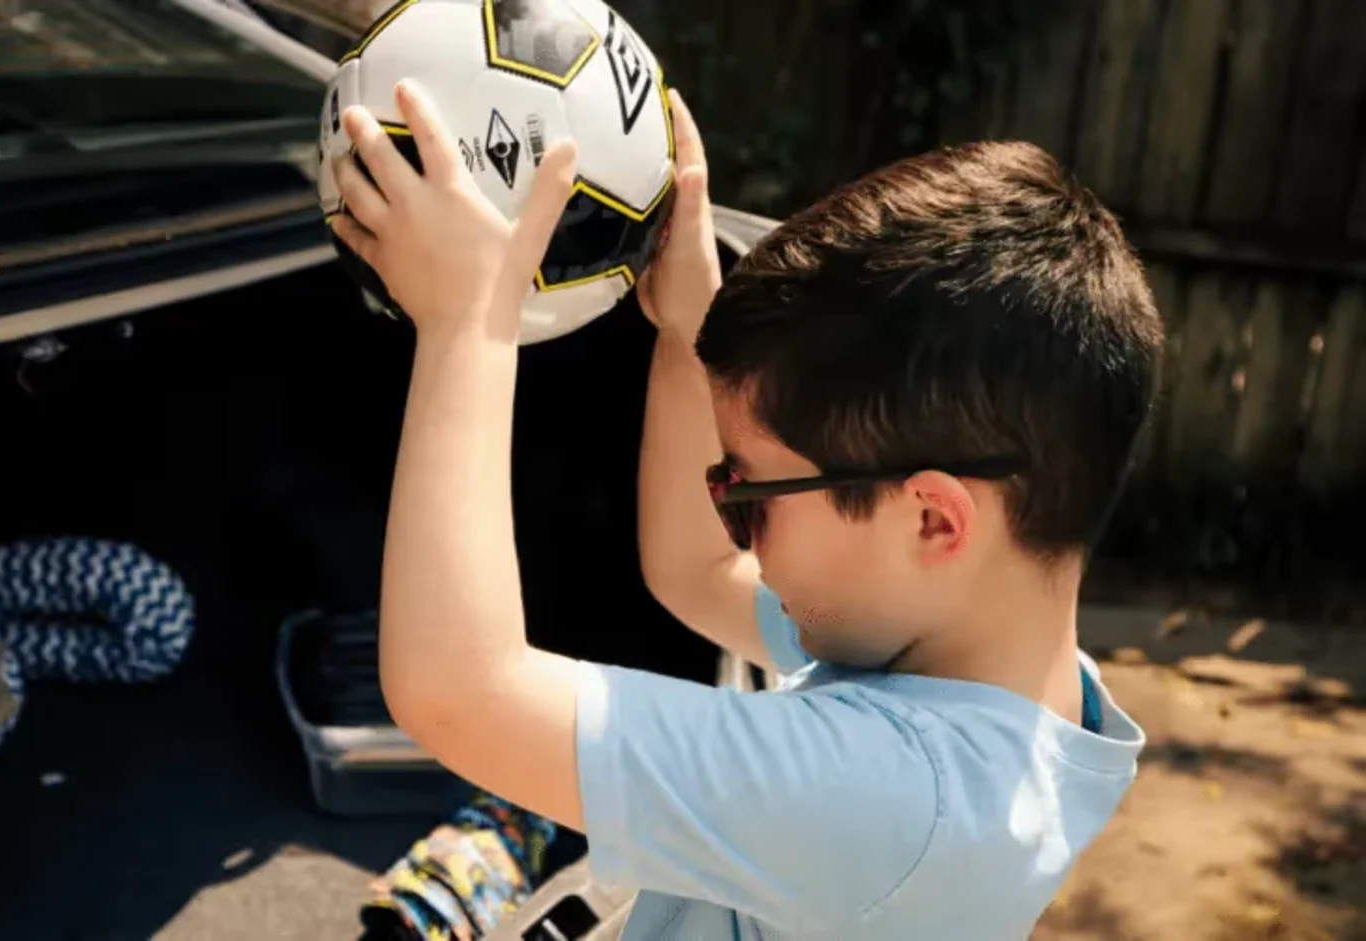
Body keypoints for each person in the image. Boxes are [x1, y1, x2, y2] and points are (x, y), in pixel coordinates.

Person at [328, 76, 1158, 940]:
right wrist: (693, 332)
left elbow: (460, 690)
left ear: (933, 520)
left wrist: (468, 321)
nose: (735, 525)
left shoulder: (889, 802)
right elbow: (697, 573)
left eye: (751, 494)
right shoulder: (997, 673)